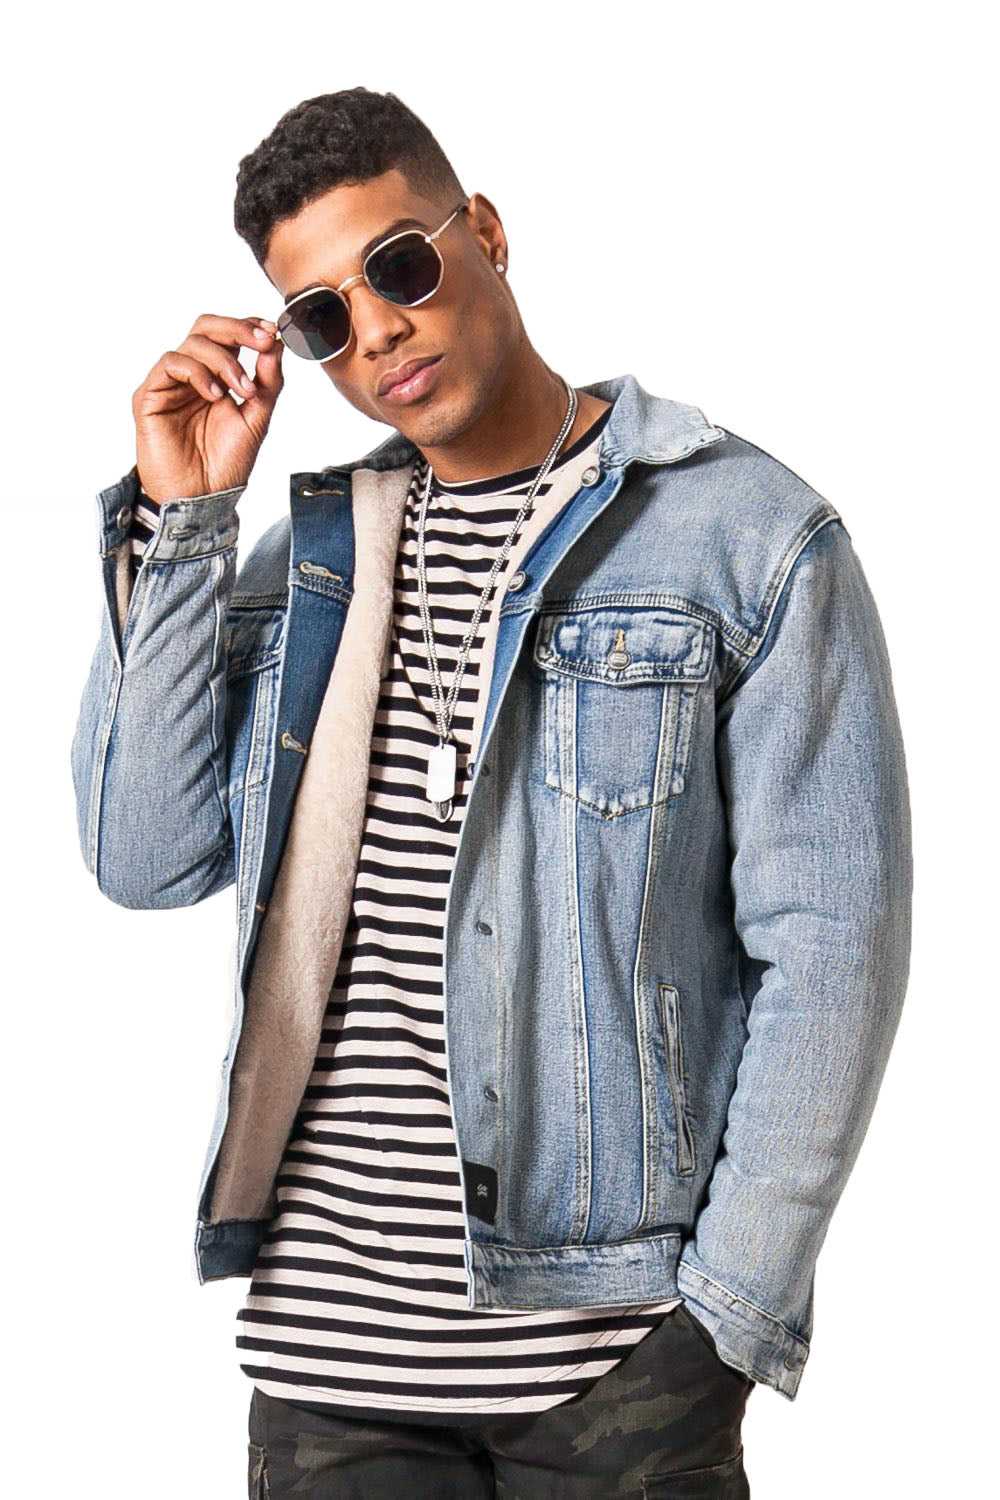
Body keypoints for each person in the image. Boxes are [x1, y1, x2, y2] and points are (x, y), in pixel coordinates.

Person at [70, 87, 913, 1500]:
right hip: (330, 1381)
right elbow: (140, 853)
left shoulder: (744, 538)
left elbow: (833, 946)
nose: (377, 330)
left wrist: (725, 1313)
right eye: (323, 317)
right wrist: (186, 517)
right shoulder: (304, 569)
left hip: (617, 1372)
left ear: (487, 232)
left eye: (398, 265)